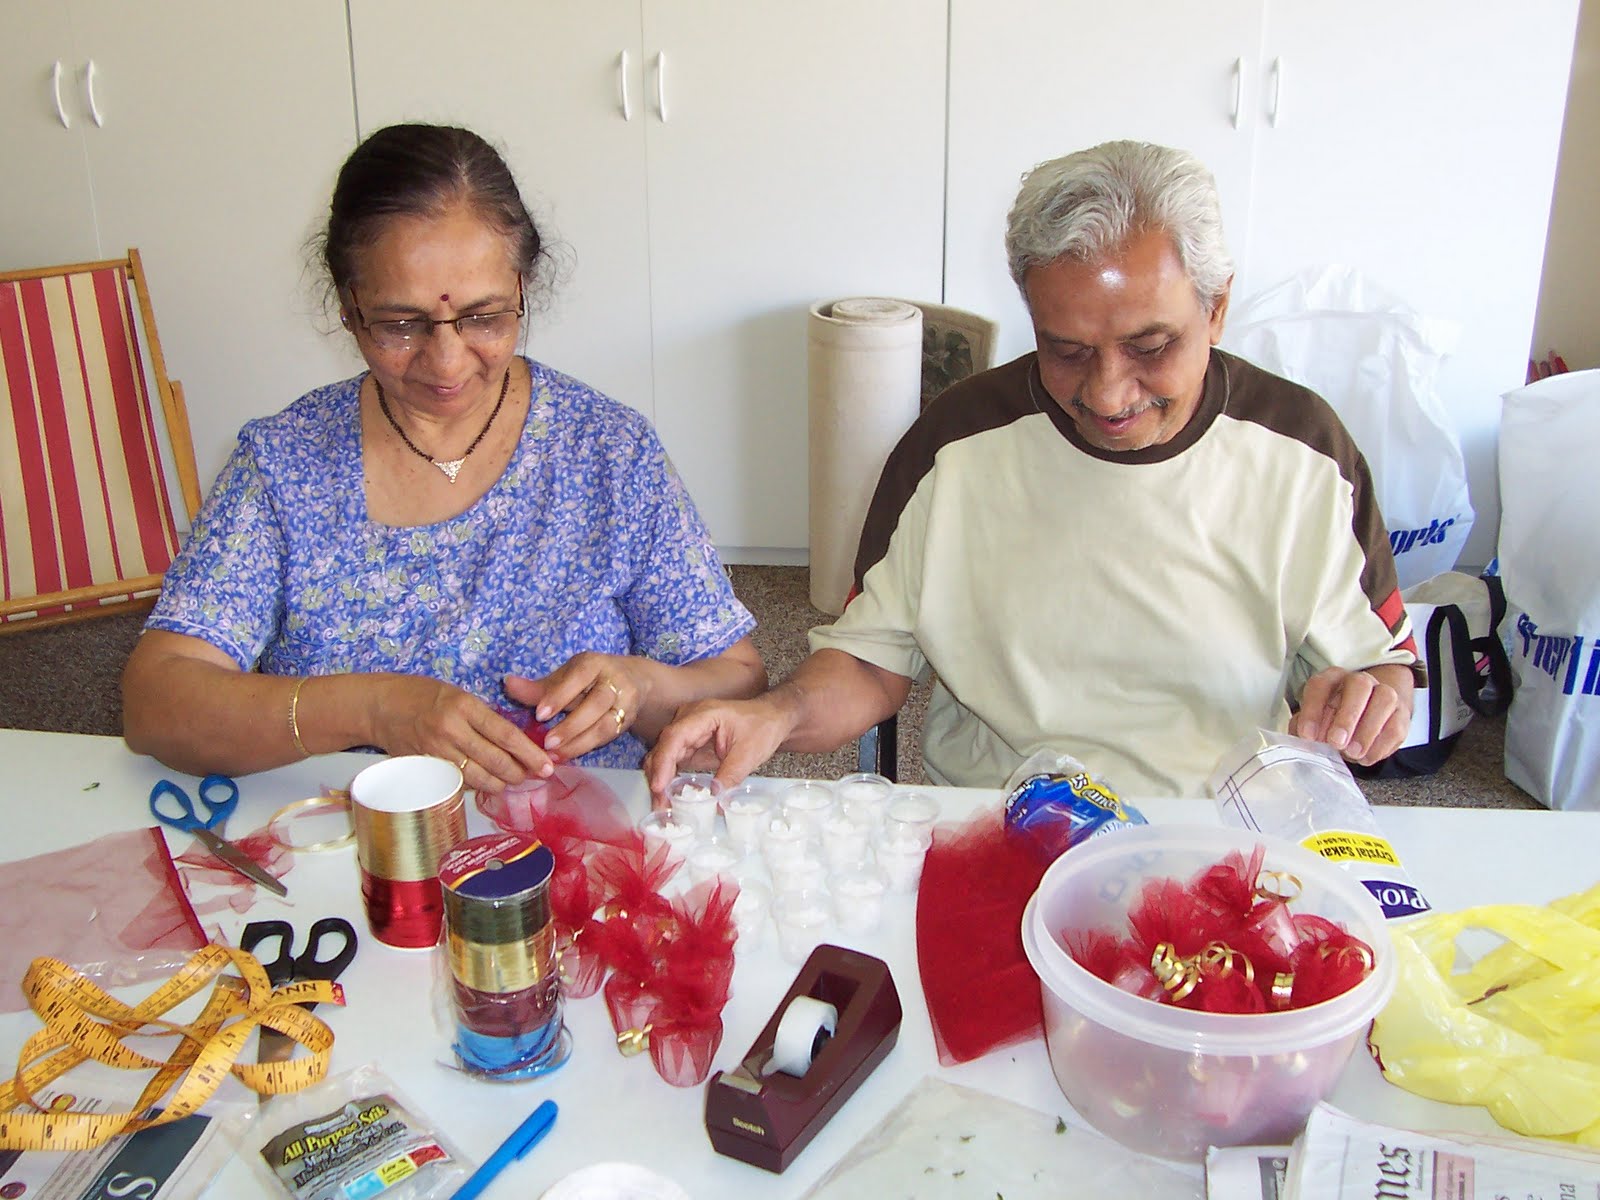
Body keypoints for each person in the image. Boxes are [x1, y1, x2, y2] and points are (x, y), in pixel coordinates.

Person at [646, 140, 1419, 799]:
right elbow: (872, 662)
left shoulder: (1305, 450)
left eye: (1151, 348)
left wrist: (1371, 704)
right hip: (1005, 826)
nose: (1109, 394)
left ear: (1216, 310)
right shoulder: (955, 446)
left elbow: (1384, 672)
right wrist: (777, 713)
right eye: (1067, 350)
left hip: (1224, 832)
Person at [123, 123, 765, 790]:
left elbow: (738, 683)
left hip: (576, 851)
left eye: (485, 317)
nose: (447, 362)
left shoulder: (608, 453)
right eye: (401, 325)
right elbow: (156, 705)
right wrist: (373, 707)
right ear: (348, 310)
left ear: (524, 288)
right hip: (357, 853)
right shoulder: (286, 466)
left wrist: (640, 685)